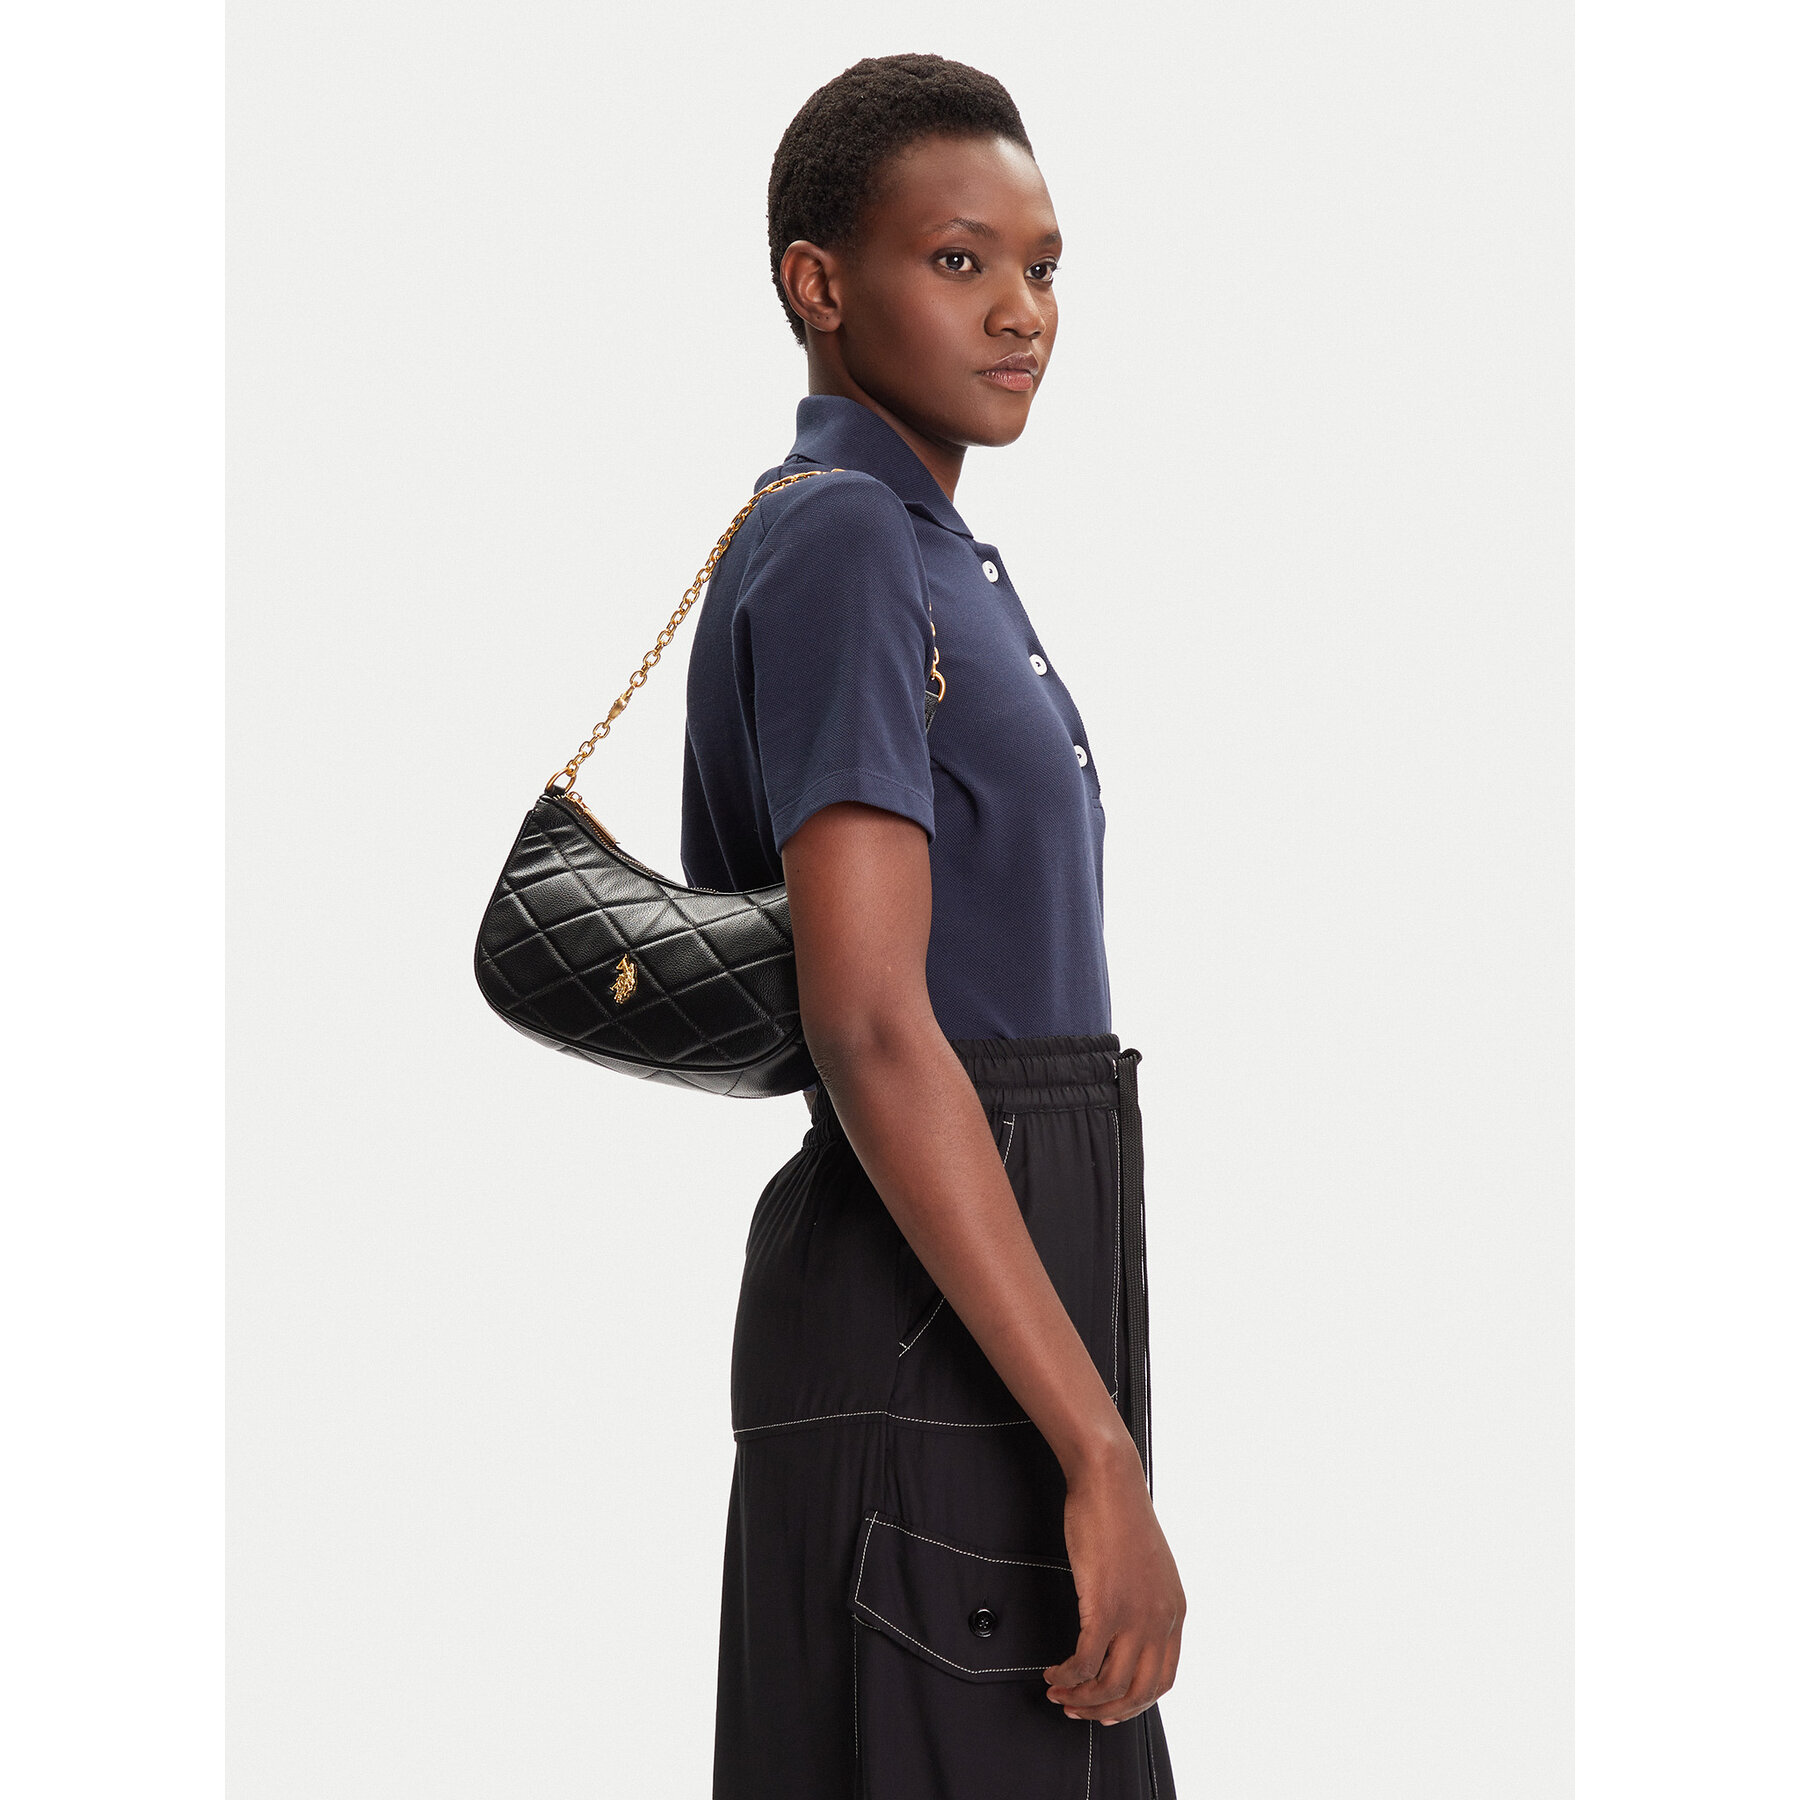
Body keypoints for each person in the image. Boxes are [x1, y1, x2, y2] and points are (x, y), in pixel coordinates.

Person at [680, 53, 1184, 1799]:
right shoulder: (843, 543)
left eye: (1042, 267)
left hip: (990, 1299)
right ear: (819, 285)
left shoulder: (924, 546)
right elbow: (873, 1020)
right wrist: (1100, 1455)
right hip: (929, 1322)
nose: (1021, 310)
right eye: (960, 260)